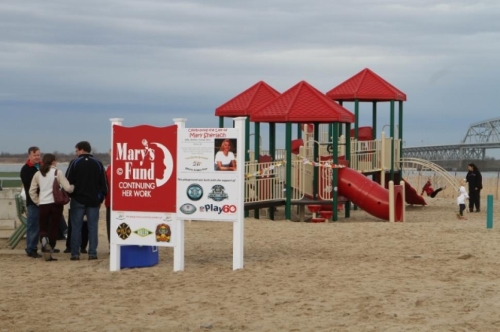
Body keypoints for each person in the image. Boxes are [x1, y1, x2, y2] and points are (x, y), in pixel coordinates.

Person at [65, 141, 108, 261]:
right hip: (94, 200)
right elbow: (104, 184)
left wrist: (70, 194)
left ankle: (75, 253)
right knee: (93, 227)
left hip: (78, 199)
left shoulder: (74, 163)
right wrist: (101, 198)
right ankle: (92, 253)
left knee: (76, 227)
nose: (76, 153)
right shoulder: (98, 163)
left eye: (77, 150)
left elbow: (68, 181)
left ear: (82, 150)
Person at [29, 153, 74, 261]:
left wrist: (37, 202)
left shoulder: (38, 174)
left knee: (43, 227)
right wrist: (73, 187)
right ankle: (51, 248)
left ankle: (44, 240)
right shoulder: (57, 172)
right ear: (53, 161)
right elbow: (68, 188)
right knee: (53, 227)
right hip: (55, 205)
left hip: (43, 204)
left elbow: (32, 191)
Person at [20, 146, 43, 258]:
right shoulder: (26, 169)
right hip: (33, 202)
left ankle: (43, 245)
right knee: (33, 226)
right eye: (35, 155)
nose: (37, 157)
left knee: (42, 225)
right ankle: (31, 248)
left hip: (44, 201)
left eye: (38, 155)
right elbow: (31, 186)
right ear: (29, 156)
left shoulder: (43, 167)